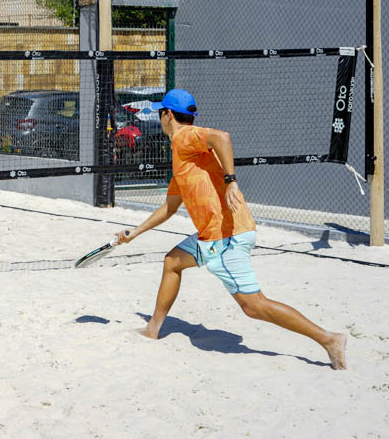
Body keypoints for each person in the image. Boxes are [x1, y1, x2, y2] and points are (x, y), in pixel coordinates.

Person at [116, 88, 348, 369]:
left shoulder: (184, 137)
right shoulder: (183, 156)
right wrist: (134, 232)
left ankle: (328, 339)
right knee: (172, 262)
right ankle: (153, 328)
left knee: (254, 306)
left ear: (167, 115)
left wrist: (231, 181)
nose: (159, 118)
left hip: (226, 236)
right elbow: (169, 207)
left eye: (159, 113)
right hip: (213, 235)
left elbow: (222, 137)